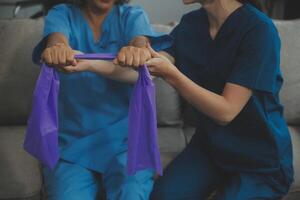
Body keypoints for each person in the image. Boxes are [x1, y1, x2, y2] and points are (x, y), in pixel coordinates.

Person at [139, 0, 293, 199]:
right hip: (210, 149)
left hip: (259, 161)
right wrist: (136, 48)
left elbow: (226, 112)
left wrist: (171, 75)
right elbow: (152, 62)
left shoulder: (259, 30)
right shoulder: (191, 23)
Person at [32, 0, 171, 199]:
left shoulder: (131, 15)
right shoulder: (62, 13)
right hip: (72, 141)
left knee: (132, 192)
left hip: (126, 140)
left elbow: (140, 42)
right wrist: (58, 49)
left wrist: (138, 50)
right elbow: (57, 39)